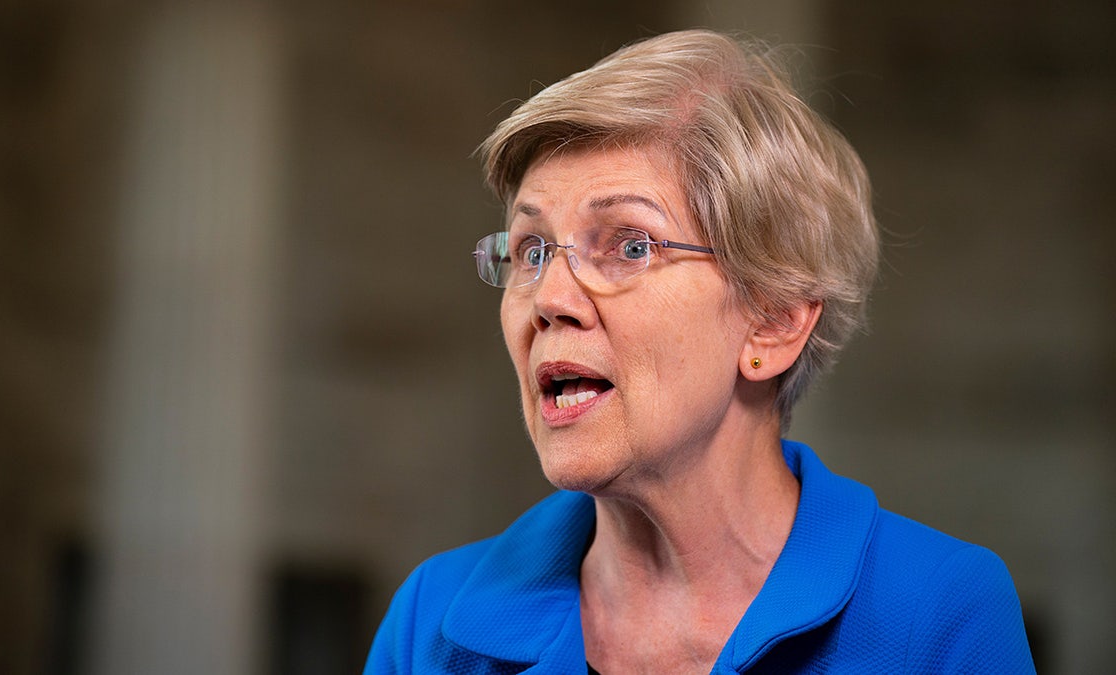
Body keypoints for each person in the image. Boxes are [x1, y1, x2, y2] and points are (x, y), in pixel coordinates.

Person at [365, 29, 1035, 674]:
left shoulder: (939, 617)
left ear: (773, 321)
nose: (548, 298)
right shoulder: (430, 625)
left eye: (630, 244)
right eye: (532, 250)